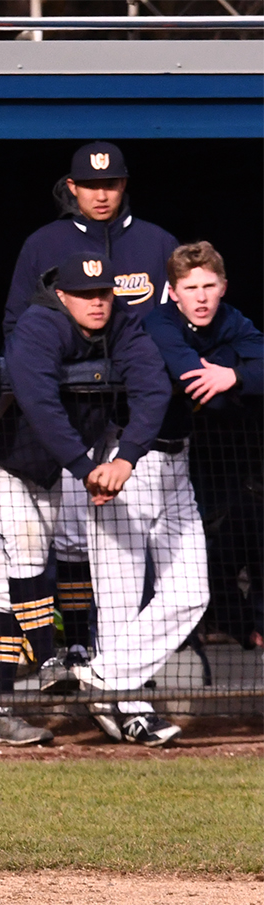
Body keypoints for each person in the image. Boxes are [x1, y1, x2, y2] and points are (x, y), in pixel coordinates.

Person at [0, 252, 172, 745]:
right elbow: (40, 403)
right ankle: (49, 654)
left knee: (5, 580)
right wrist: (86, 468)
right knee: (27, 541)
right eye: (85, 294)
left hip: (46, 466)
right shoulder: (40, 324)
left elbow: (153, 387)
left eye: (104, 294)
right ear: (61, 294)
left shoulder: (120, 322)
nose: (97, 304)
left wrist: (126, 459)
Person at [4, 141, 180, 660]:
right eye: (92, 185)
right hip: (70, 421)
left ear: (124, 186)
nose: (102, 195)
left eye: (112, 184)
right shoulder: (44, 243)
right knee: (60, 540)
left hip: (139, 426)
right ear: (72, 187)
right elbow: (17, 328)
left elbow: (173, 328)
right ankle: (75, 650)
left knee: (134, 548)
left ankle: (121, 658)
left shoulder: (156, 242)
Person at [145, 243, 263, 652]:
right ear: (173, 293)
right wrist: (242, 379)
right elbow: (198, 386)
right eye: (190, 287)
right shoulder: (159, 322)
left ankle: (238, 626)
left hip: (220, 454)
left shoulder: (233, 319)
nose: (200, 296)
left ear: (223, 287)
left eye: (209, 285)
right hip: (153, 454)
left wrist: (233, 374)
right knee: (160, 557)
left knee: (235, 535)